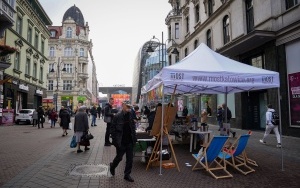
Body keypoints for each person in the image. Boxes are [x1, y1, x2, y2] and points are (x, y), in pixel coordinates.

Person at [109, 101, 137, 182]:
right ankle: (113, 166)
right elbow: (112, 129)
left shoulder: (131, 115)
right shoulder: (117, 116)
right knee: (119, 158)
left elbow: (133, 128)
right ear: (123, 106)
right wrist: (115, 140)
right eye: (127, 106)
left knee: (130, 159)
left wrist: (134, 139)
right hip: (121, 141)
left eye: (129, 106)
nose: (129, 108)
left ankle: (127, 174)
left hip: (129, 141)